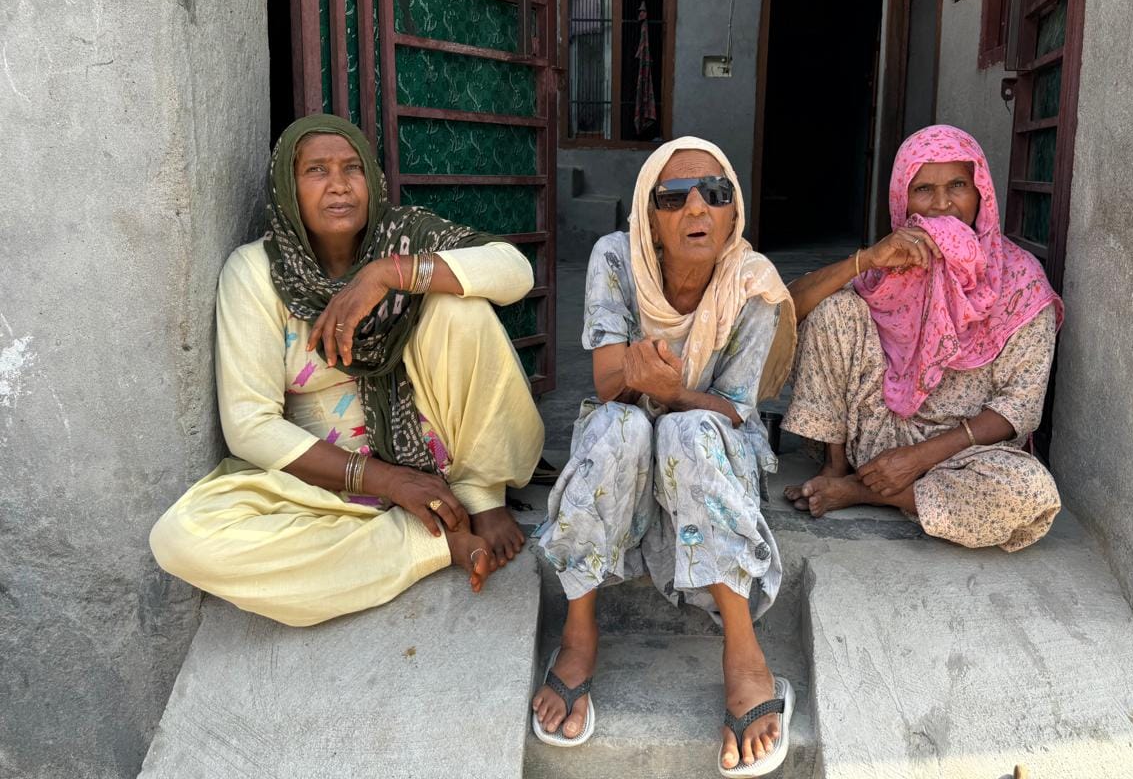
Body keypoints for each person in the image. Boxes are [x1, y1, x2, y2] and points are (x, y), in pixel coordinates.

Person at [149, 114, 544, 626]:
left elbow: (515, 271)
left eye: (352, 168)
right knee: (180, 539)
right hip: (326, 487)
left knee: (458, 304)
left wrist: (388, 273)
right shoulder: (255, 273)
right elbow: (249, 425)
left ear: (372, 181)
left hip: (438, 456)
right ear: (287, 189)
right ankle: (427, 542)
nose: (339, 184)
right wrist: (387, 480)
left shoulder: (403, 238)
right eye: (316, 170)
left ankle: (479, 495)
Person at [531, 138, 798, 777]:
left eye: (715, 193)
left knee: (688, 429)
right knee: (621, 425)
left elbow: (736, 408)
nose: (696, 208)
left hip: (710, 443)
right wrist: (641, 382)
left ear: (733, 213)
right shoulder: (614, 257)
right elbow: (606, 383)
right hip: (625, 437)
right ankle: (579, 632)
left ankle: (744, 653)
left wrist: (674, 393)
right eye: (673, 198)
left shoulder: (753, 284)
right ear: (649, 219)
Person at [782, 124, 1063, 552]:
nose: (942, 204)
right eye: (924, 189)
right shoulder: (890, 262)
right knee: (833, 307)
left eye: (957, 186)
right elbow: (790, 308)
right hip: (871, 433)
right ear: (902, 199)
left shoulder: (1021, 280)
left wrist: (917, 459)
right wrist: (867, 259)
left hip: (960, 454)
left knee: (1029, 492)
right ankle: (835, 467)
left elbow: (1019, 408)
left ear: (981, 193)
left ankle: (861, 491)